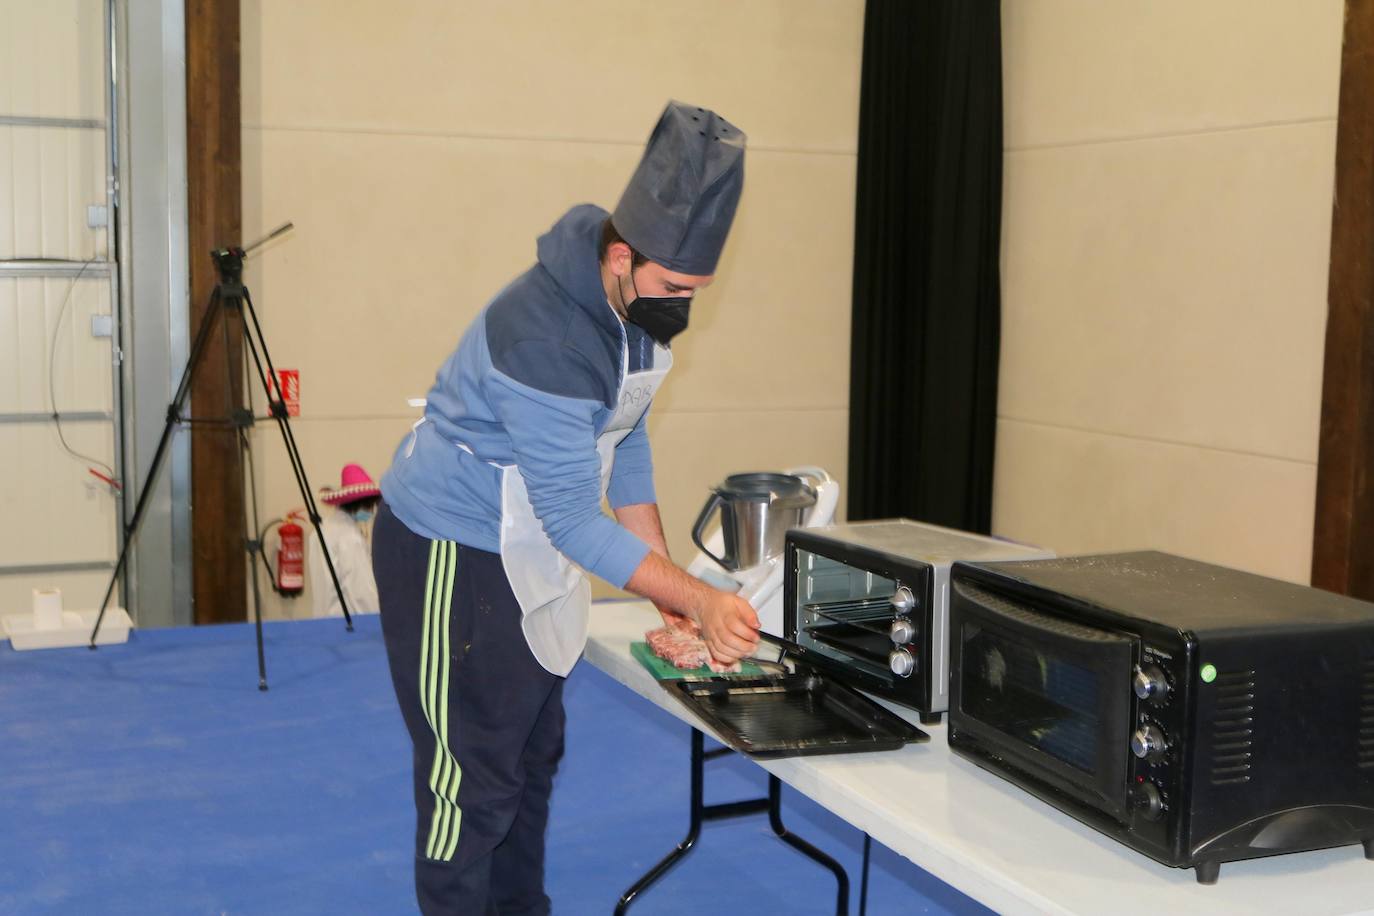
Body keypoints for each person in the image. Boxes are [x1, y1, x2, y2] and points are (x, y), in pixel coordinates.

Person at [372, 100, 759, 915]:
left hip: (528, 538)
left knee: (532, 755)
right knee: (468, 776)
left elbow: (627, 434)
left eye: (696, 292)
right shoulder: (544, 334)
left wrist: (667, 596)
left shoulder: (634, 309)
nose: (682, 309)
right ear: (620, 256)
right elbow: (575, 522)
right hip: (453, 544)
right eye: (673, 288)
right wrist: (697, 596)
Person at [307, 463, 381, 617]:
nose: (372, 511)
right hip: (346, 625)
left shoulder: (319, 531)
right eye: (371, 505)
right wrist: (377, 621)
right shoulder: (350, 538)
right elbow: (361, 592)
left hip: (320, 620)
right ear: (362, 504)